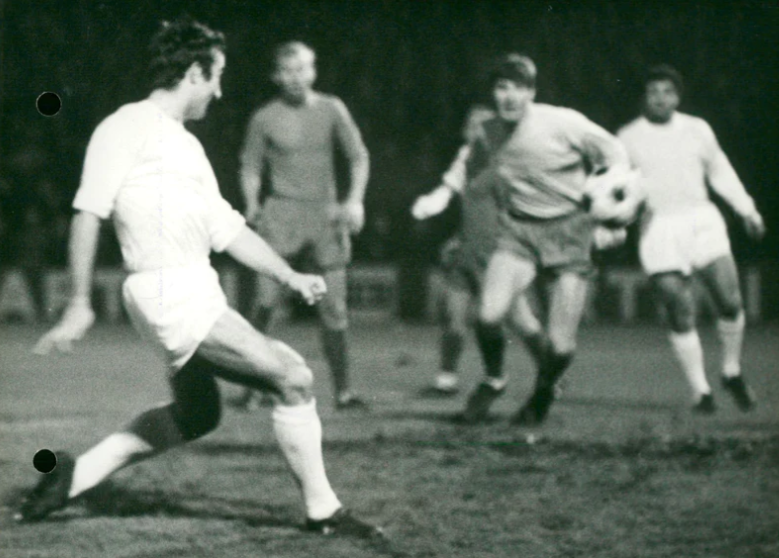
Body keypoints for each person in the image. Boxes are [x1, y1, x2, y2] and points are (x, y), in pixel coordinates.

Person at [16, 19, 383, 540]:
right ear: (194, 71)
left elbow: (227, 228)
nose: (220, 89)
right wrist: (79, 302)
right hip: (169, 292)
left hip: (192, 288)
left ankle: (74, 477)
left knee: (198, 414)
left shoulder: (186, 146)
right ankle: (323, 510)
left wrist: (290, 275)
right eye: (217, 76)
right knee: (294, 378)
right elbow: (87, 212)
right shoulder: (125, 127)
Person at [460, 53, 632, 426]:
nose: (509, 96)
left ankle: (542, 392)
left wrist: (611, 198)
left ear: (532, 93)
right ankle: (494, 379)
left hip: (570, 232)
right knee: (487, 316)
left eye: (519, 88)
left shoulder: (562, 123)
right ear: (492, 93)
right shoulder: (487, 132)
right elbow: (475, 178)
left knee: (560, 345)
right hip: (519, 231)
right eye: (501, 87)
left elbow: (615, 151)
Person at [617, 64, 764, 413]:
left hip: (701, 220)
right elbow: (619, 190)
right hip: (659, 229)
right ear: (644, 97)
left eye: (667, 92)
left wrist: (747, 210)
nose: (660, 99)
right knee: (680, 309)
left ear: (677, 97)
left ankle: (731, 370)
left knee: (729, 300)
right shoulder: (626, 138)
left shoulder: (697, 130)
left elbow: (720, 171)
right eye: (653, 92)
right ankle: (701, 391)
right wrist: (616, 222)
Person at [232, 41, 370, 411]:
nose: (295, 77)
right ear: (276, 76)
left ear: (314, 71)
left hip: (325, 215)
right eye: (287, 71)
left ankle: (343, 392)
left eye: (303, 68)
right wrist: (252, 203)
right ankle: (249, 386)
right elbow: (250, 165)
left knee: (335, 308)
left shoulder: (331, 109)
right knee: (264, 303)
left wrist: (354, 200)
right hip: (282, 214)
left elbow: (358, 156)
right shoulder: (264, 117)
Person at [411, 105, 549, 398]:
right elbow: (450, 192)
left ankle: (552, 374)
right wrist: (438, 215)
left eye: (483, 125)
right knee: (453, 318)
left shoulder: (512, 162)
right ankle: (446, 379)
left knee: (523, 323)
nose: (477, 130)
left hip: (500, 255)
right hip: (466, 251)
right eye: (472, 124)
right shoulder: (465, 157)